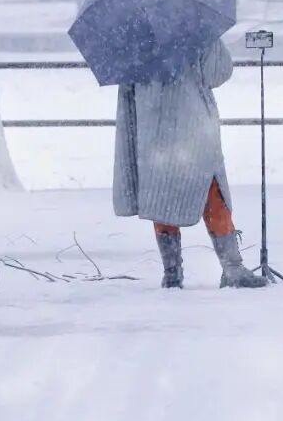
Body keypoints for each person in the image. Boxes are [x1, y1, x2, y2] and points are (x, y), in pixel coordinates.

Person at [113, 39, 268, 288]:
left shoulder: (134, 34)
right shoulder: (194, 28)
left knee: (162, 196)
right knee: (211, 192)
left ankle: (172, 273)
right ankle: (232, 268)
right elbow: (218, 74)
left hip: (153, 129)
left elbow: (127, 90)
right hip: (193, 125)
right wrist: (213, 40)